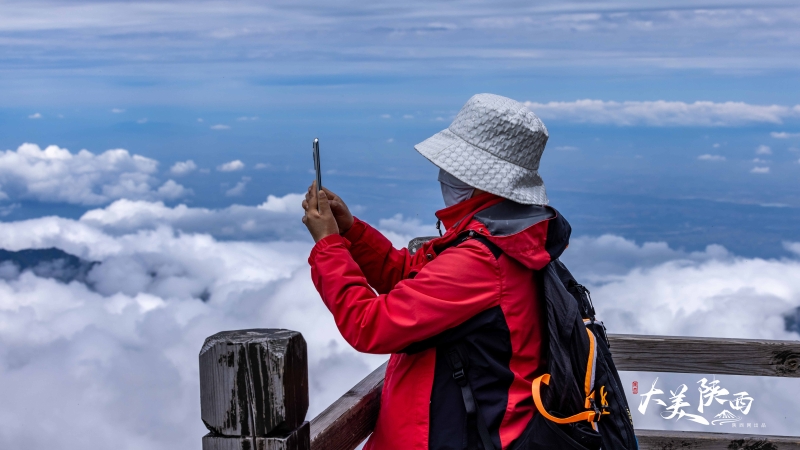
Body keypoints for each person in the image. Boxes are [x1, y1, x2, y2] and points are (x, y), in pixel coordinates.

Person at [302, 93, 571, 450]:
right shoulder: (504, 239)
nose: (443, 175)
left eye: (453, 168)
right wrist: (351, 232)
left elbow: (369, 325)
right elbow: (412, 279)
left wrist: (329, 245)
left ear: (480, 179)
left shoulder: (481, 260)